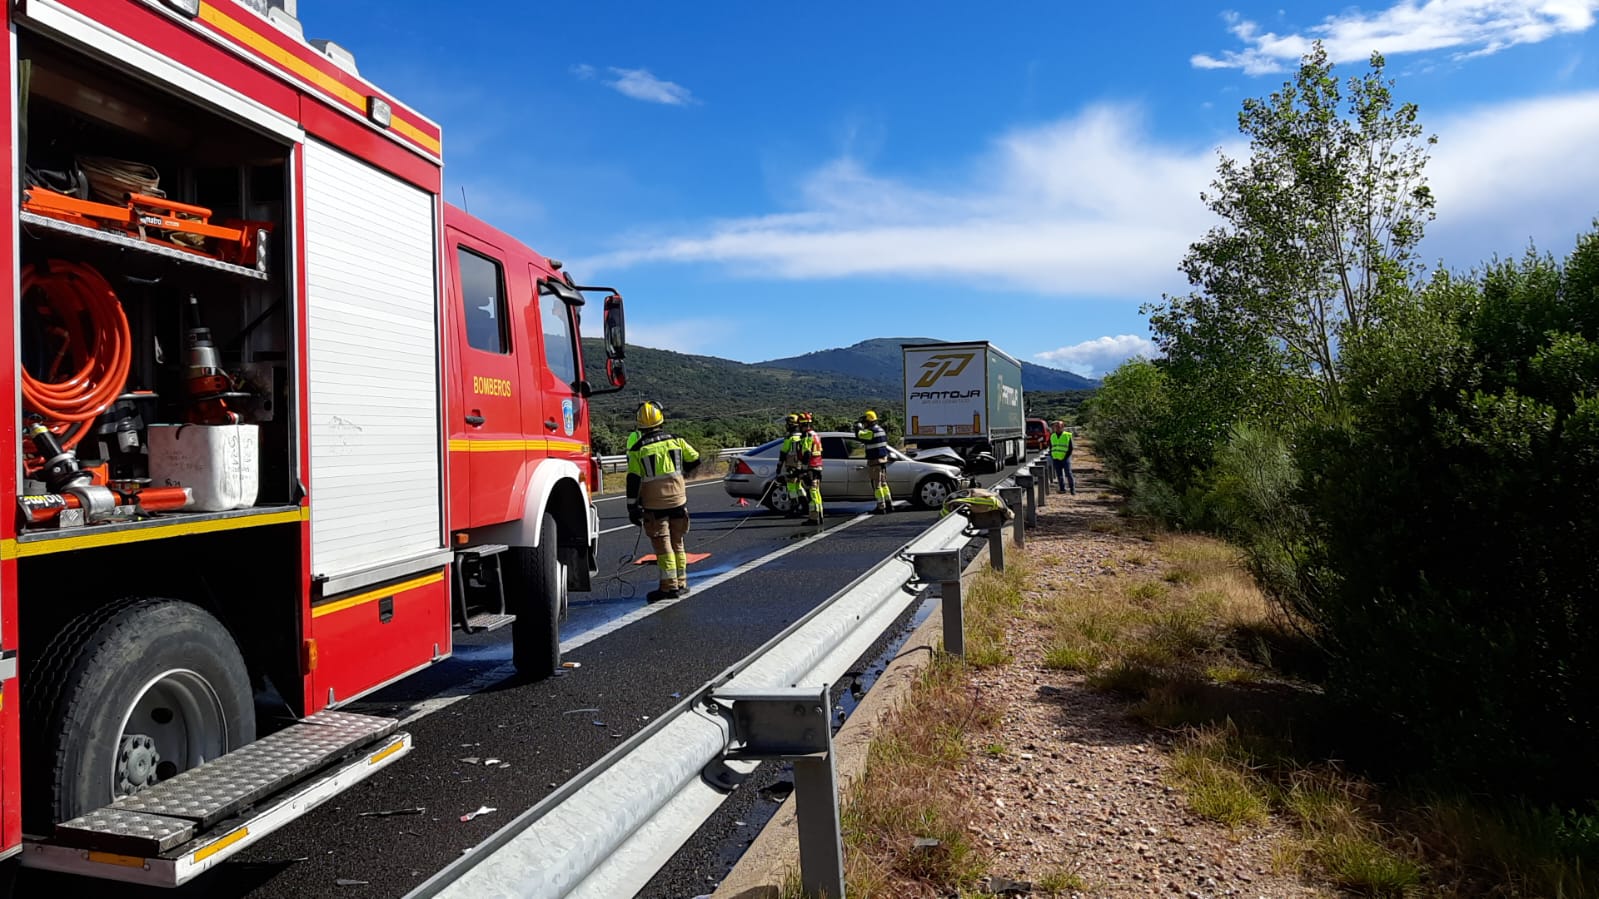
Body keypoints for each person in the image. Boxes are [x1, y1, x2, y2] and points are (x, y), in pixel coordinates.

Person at [626, 401, 702, 602]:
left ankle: (669, 587)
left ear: (640, 424)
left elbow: (633, 479)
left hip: (654, 505)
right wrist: (682, 475)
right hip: (678, 500)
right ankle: (682, 583)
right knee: (678, 542)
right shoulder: (676, 440)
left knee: (663, 545)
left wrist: (632, 506)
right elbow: (695, 458)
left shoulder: (637, 449)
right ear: (661, 419)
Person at [856, 409, 893, 514]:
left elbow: (860, 436)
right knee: (884, 483)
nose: (864, 424)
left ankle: (881, 506)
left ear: (869, 421)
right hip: (883, 461)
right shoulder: (881, 430)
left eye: (865, 422)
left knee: (877, 485)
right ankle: (889, 503)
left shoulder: (871, 432)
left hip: (875, 461)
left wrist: (858, 428)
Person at [791, 412, 825, 524]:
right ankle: (819, 515)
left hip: (811, 467)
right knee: (817, 491)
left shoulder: (807, 436)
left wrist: (802, 470)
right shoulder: (815, 434)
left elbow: (806, 454)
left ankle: (814, 518)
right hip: (818, 466)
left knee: (812, 492)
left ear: (802, 425)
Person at [777, 413, 807, 516]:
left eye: (788, 423)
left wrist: (779, 465)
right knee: (799, 486)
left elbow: (784, 451)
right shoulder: (802, 436)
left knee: (791, 486)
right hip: (800, 465)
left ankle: (794, 507)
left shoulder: (790, 437)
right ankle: (805, 505)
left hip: (791, 465)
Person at [1049, 420, 1075, 495]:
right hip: (1056, 458)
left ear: (1062, 427)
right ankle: (1062, 489)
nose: (1057, 428)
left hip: (1065, 458)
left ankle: (1072, 490)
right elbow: (1051, 447)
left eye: (1059, 426)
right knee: (1059, 475)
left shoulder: (1067, 435)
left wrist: (1066, 457)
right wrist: (1052, 455)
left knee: (1068, 473)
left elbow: (1070, 448)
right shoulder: (1053, 436)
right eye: (1056, 426)